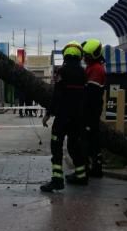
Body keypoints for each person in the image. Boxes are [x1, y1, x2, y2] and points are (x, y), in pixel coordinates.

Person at [40, 41, 88, 192]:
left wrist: (48, 114)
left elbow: (57, 96)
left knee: (57, 147)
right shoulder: (83, 73)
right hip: (78, 118)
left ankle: (57, 180)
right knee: (74, 146)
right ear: (79, 56)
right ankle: (81, 176)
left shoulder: (62, 72)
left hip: (63, 118)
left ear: (66, 54)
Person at [78, 38, 106, 179]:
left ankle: (91, 167)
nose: (85, 58)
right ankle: (95, 166)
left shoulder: (96, 70)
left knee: (88, 140)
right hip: (92, 111)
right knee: (93, 139)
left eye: (87, 56)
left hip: (90, 112)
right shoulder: (93, 67)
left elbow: (90, 94)